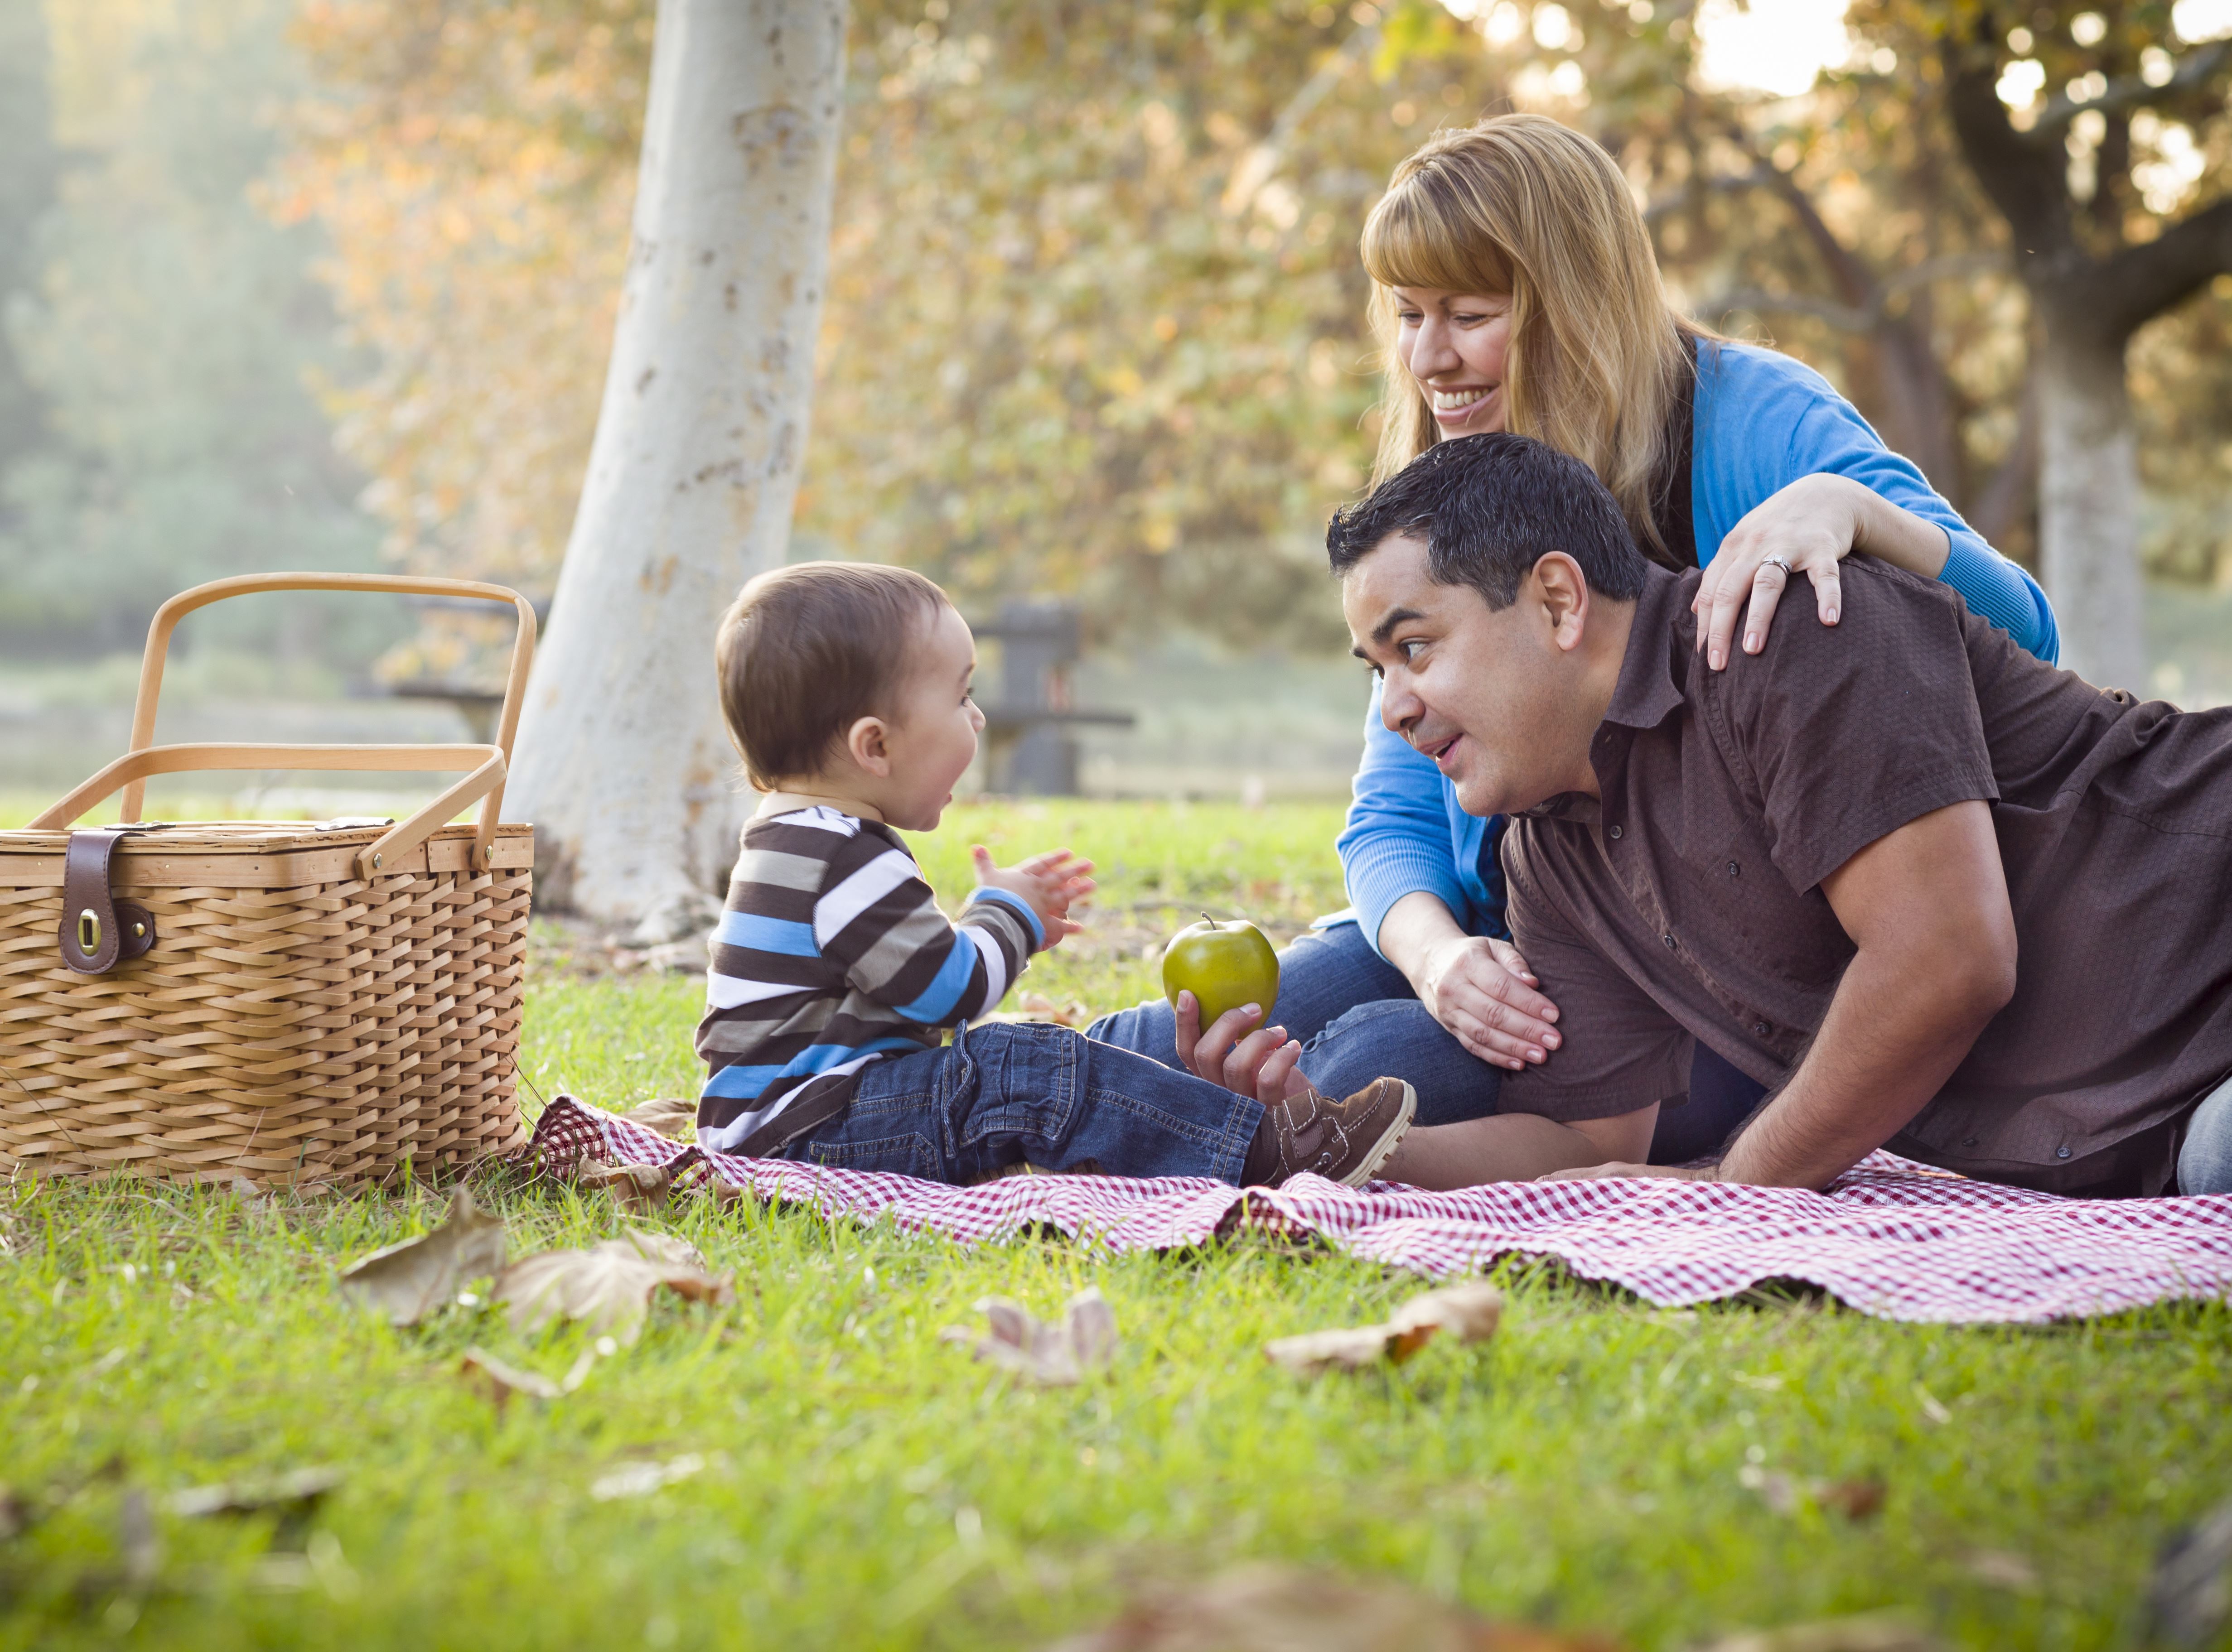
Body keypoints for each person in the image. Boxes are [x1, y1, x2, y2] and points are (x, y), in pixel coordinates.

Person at [1084, 114, 2058, 1162]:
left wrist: (1847, 509)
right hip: (1509, 930)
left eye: (1467, 314)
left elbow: (2020, 633)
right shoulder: (1447, 490)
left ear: (1572, 301)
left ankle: (1232, 1144)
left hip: (1708, 971)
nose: (1427, 357)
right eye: (1407, 315)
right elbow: (1390, 817)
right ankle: (963, 1102)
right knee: (1178, 1038)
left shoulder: (1743, 420)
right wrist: (1438, 958)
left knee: (1368, 1065)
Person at [1186, 431, 2232, 1198]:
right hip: (2166, 1137)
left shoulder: (1790, 636)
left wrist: (1743, 1184)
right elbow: (1587, 1146)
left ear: (1556, 601)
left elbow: (1944, 958)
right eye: (1375, 670)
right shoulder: (1549, 852)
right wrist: (1321, 1145)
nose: (1394, 706)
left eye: (1412, 647)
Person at [693, 560, 1414, 1188]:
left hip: (802, 1124)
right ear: (874, 746)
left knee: (1007, 1066)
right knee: (1020, 1064)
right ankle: (1269, 1150)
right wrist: (1006, 914)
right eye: (960, 698)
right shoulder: (842, 856)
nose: (976, 720)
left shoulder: (796, 840)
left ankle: (1214, 1140)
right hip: (812, 1136)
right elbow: (949, 992)